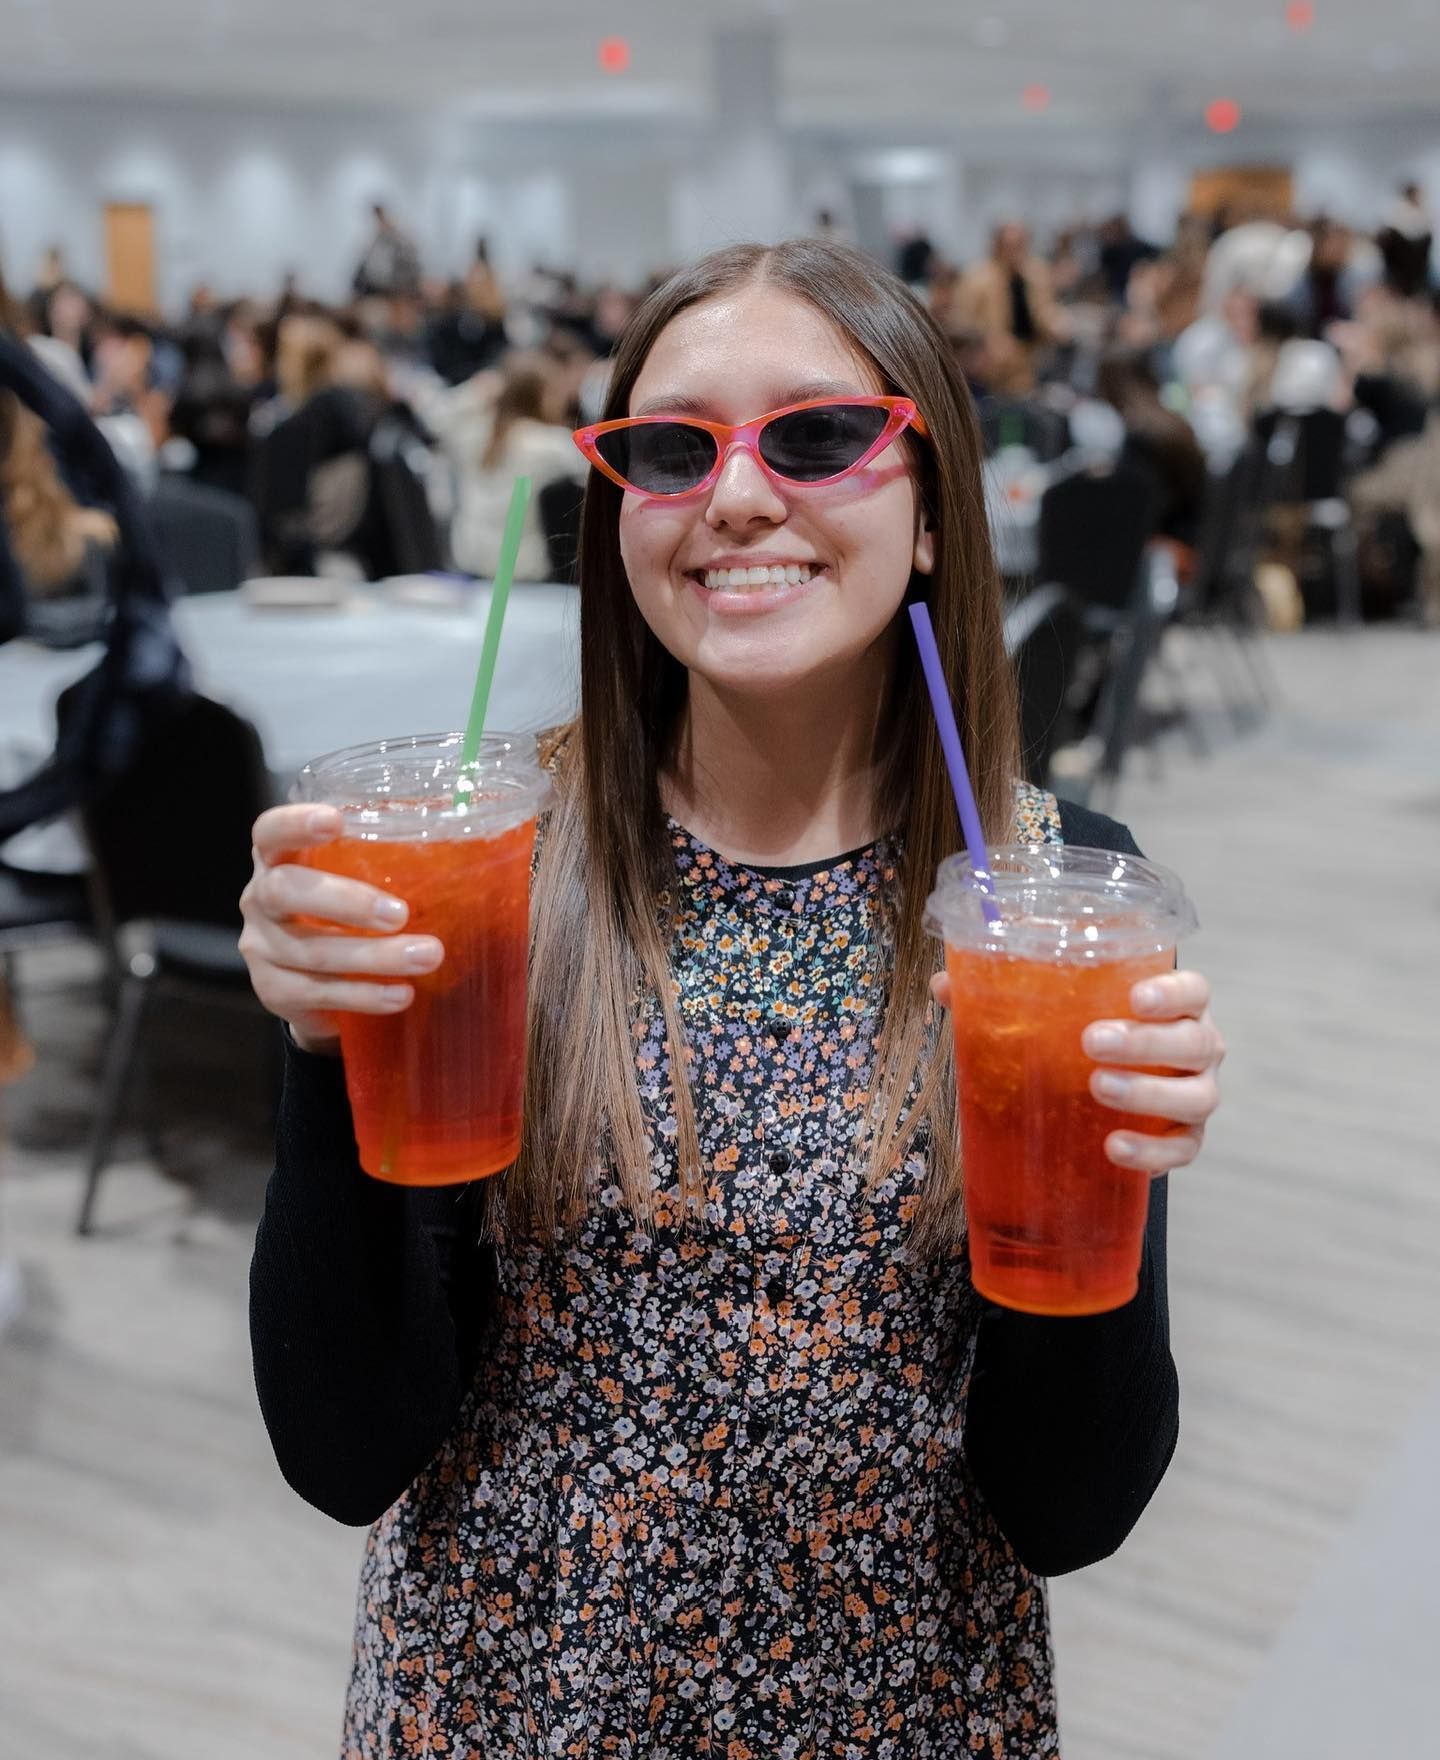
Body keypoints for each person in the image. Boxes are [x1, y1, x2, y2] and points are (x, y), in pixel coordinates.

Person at [242, 238, 1225, 1755]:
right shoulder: (491, 863)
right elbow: (344, 1446)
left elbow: (1070, 1504)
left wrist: (1114, 1168)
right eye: (672, 447)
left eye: (821, 435)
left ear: (930, 518)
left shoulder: (1056, 892)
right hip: (511, 1710)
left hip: (908, 1714)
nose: (738, 495)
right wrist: (324, 1057)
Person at [440, 356, 584, 581]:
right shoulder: (550, 444)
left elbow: (435, 419)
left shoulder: (472, 435)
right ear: (539, 394)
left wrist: (473, 392)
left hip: (472, 567)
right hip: (521, 573)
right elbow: (593, 471)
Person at [954, 221, 1070, 392]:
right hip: (992, 365)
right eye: (1010, 245)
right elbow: (962, 324)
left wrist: (1056, 323)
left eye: (1021, 244)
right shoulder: (977, 279)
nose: (1016, 251)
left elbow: (1045, 309)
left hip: (1030, 360)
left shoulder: (1036, 274)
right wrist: (988, 342)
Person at [352, 202, 422, 301]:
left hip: (398, 285)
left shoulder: (399, 234)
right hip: (379, 285)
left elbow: (410, 256)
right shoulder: (376, 239)